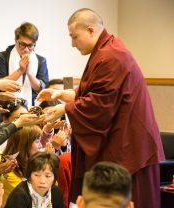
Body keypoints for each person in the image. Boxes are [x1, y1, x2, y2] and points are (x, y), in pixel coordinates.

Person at [37, 8, 164, 208]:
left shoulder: (112, 56)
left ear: (90, 30)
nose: (72, 43)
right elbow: (94, 93)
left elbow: (100, 104)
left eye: (74, 37)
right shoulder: (107, 51)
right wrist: (60, 95)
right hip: (125, 140)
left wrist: (64, 109)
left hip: (130, 145)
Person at [0, 22, 49, 106]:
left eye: (30, 45)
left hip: (31, 106)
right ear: (16, 41)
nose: (26, 50)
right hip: (6, 105)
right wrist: (20, 71)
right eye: (22, 44)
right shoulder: (2, 57)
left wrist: (30, 74)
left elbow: (41, 89)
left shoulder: (41, 60)